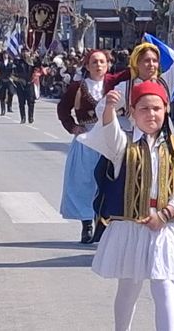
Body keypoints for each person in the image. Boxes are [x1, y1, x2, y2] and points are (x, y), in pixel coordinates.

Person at [80, 81, 174, 331]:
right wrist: (109, 108)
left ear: (166, 109)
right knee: (129, 286)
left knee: (164, 284)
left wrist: (166, 214)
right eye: (144, 109)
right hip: (130, 225)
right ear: (133, 112)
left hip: (165, 225)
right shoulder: (123, 145)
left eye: (156, 108)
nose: (151, 114)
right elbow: (108, 133)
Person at [57, 50, 129, 243]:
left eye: (102, 62)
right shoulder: (77, 87)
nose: (98, 66)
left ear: (108, 65)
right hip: (87, 139)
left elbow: (134, 71)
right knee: (85, 182)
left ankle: (105, 224)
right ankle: (87, 224)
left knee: (111, 180)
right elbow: (63, 108)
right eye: (94, 62)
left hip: (110, 137)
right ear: (87, 66)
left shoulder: (113, 82)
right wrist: (72, 127)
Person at [95, 16, 174, 131]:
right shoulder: (126, 87)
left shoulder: (165, 82)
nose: (151, 64)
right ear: (136, 63)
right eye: (146, 60)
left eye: (155, 60)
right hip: (138, 139)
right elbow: (100, 110)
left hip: (165, 139)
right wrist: (120, 133)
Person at [12, 50, 39, 124]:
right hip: (21, 84)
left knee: (31, 102)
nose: (25, 53)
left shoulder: (31, 62)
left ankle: (31, 117)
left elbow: (38, 66)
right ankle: (23, 118)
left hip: (29, 84)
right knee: (21, 102)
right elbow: (13, 73)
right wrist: (18, 80)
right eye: (23, 52)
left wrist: (37, 57)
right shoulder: (17, 62)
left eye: (26, 52)